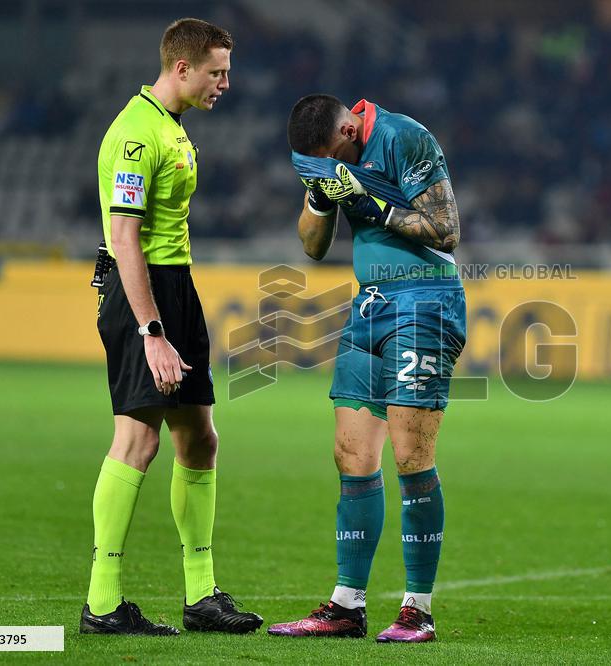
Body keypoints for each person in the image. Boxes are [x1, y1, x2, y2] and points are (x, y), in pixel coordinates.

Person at [82, 18, 262, 636]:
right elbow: (124, 239)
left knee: (200, 441)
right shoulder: (136, 135)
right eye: (217, 72)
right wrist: (151, 330)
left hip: (175, 289)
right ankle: (102, 602)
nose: (225, 83)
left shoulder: (172, 129)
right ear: (181, 68)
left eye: (228, 72)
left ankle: (201, 596)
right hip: (146, 297)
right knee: (138, 442)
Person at [267, 95, 465, 643]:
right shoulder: (331, 160)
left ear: (351, 130)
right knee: (352, 454)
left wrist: (372, 204)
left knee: (410, 454)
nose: (336, 167)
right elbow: (311, 246)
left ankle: (417, 609)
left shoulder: (405, 138)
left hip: (425, 302)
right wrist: (320, 193)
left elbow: (446, 229)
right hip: (370, 305)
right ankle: (347, 606)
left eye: (335, 158)